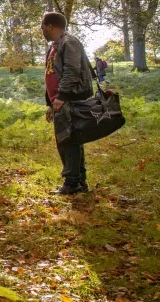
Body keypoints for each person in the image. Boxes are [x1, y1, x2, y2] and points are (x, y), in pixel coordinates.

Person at [41, 12, 94, 195]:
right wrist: (51, 102)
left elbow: (72, 70)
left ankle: (72, 183)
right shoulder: (55, 46)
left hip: (70, 100)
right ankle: (78, 182)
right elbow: (52, 75)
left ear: (50, 26)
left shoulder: (68, 42)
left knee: (68, 140)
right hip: (60, 101)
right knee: (70, 140)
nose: (42, 30)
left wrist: (62, 96)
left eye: (42, 27)